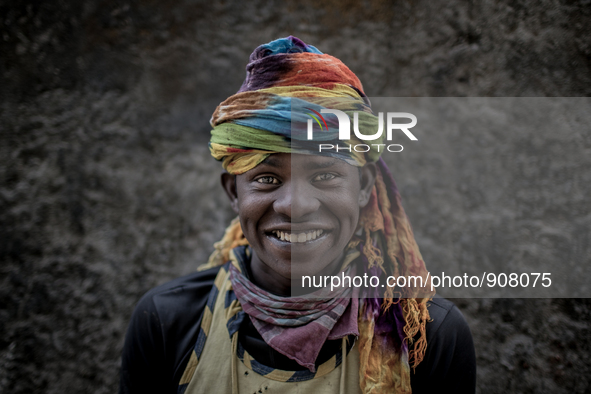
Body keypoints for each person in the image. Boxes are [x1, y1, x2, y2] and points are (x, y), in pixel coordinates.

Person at [119, 36, 476, 394]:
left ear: (364, 185)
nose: (295, 205)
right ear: (233, 192)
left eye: (325, 175)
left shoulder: (424, 337)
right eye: (267, 178)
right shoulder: (168, 321)